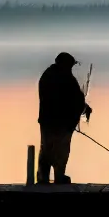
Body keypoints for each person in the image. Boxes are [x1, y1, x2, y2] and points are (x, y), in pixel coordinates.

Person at [37, 52, 91, 184]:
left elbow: (72, 99)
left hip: (48, 122)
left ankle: (44, 178)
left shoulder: (47, 76)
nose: (71, 69)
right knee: (60, 151)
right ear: (64, 64)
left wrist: (81, 106)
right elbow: (73, 99)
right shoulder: (65, 78)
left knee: (47, 149)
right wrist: (84, 108)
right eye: (70, 66)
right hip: (60, 124)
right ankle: (58, 177)